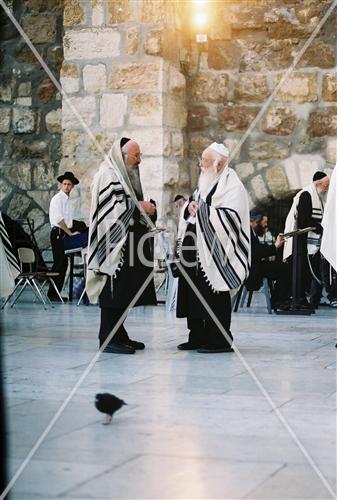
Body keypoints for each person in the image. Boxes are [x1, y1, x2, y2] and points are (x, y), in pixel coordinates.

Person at [176, 142, 250, 353]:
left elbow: (232, 219)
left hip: (216, 254)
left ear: (219, 164)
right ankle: (197, 335)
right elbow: (192, 209)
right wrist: (189, 210)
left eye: (205, 162)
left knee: (214, 293)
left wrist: (203, 212)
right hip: (194, 252)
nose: (201, 165)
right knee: (192, 294)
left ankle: (219, 339)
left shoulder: (233, 186)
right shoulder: (204, 184)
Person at [86, 137, 157, 354]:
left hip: (127, 244)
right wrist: (139, 207)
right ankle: (107, 339)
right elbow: (112, 208)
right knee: (113, 292)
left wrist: (147, 207)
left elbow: (128, 204)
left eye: (139, 155)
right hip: (113, 245)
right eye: (136, 156)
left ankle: (119, 334)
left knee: (125, 292)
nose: (139, 160)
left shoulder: (122, 175)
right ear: (123, 156)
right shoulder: (108, 174)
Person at [283, 171, 330, 309]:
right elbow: (303, 220)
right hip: (300, 243)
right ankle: (296, 298)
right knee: (300, 272)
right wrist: (318, 227)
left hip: (307, 242)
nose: (327, 188)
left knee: (306, 274)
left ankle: (303, 298)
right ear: (318, 184)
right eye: (326, 185)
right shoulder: (306, 195)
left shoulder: (318, 196)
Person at [48, 172, 88, 301]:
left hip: (64, 232)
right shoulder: (57, 199)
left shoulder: (67, 200)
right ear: (61, 185)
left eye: (69, 184)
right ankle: (52, 294)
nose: (66, 186)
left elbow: (69, 221)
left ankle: (56, 294)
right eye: (64, 184)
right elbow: (59, 220)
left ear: (72, 187)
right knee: (59, 264)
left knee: (63, 264)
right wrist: (70, 233)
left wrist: (77, 228)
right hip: (58, 233)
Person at [246, 208, 291, 310]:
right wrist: (275, 246)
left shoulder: (250, 231)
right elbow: (256, 252)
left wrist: (274, 246)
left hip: (254, 267)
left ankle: (278, 299)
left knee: (282, 267)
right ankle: (278, 301)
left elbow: (257, 249)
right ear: (255, 221)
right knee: (284, 269)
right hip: (253, 271)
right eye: (264, 222)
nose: (266, 225)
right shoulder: (248, 232)